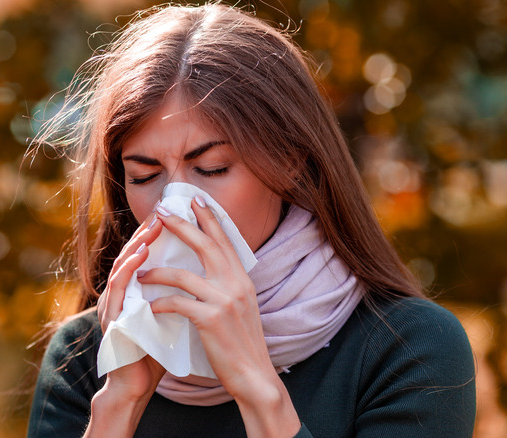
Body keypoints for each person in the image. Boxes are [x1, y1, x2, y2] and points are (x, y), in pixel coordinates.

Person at [26, 3, 476, 437]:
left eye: (213, 169)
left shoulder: (408, 347)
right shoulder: (86, 356)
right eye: (144, 175)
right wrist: (120, 404)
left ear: (291, 162)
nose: (175, 205)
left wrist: (258, 388)